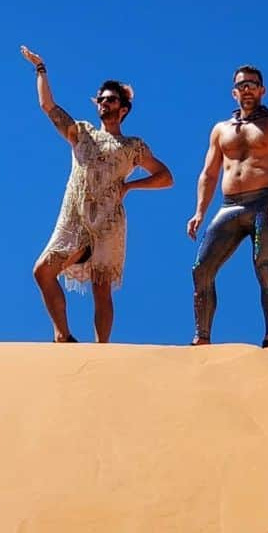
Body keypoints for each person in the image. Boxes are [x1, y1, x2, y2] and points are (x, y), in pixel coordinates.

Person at [20, 46, 173, 343]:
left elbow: (165, 177)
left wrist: (130, 186)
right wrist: (40, 68)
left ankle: (102, 351)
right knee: (42, 271)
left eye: (110, 100)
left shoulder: (132, 146)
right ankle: (63, 335)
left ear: (123, 108)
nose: (104, 104)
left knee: (101, 288)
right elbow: (48, 106)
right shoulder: (83, 132)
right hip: (75, 216)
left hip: (108, 220)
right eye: (101, 100)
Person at [187, 66, 268, 347]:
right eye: (242, 85)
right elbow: (209, 173)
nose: (247, 89)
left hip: (264, 201)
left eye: (253, 84)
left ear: (262, 90)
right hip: (229, 205)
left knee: (264, 263)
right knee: (201, 268)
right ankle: (202, 336)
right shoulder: (221, 129)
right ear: (234, 92)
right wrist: (200, 210)